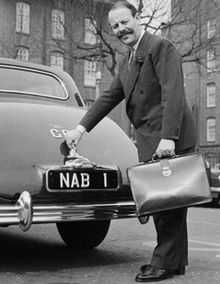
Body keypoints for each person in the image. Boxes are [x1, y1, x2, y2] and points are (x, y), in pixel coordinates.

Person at [65, 0, 196, 282]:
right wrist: (80, 129)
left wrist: (168, 139)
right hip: (151, 138)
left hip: (167, 137)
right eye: (114, 26)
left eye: (124, 22)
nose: (120, 29)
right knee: (165, 201)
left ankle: (163, 263)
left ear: (137, 19)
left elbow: (173, 94)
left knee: (166, 204)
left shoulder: (160, 47)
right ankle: (173, 263)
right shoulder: (127, 60)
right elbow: (109, 98)